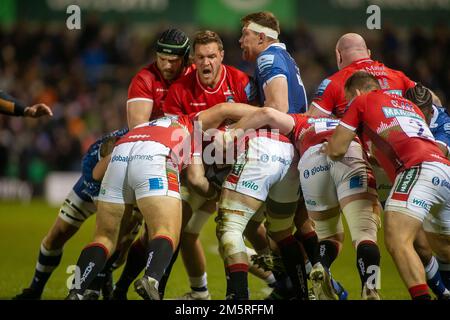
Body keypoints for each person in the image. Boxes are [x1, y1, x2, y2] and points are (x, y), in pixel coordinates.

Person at [64, 101, 258, 300]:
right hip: (155, 157)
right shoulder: (190, 123)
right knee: (167, 230)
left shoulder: (143, 127)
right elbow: (223, 110)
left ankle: (76, 290)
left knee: (103, 238)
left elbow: (96, 173)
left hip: (121, 155)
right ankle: (151, 279)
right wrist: (265, 114)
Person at [228, 106, 381, 300]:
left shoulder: (301, 120)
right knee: (365, 234)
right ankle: (371, 286)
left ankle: (320, 266)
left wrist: (231, 134)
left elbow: (266, 113)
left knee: (328, 236)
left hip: (312, 161)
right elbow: (375, 150)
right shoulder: (348, 122)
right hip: (349, 154)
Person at [324, 71, 450, 300]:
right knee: (442, 248)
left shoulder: (362, 100)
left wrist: (328, 147)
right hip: (443, 169)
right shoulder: (406, 104)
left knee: (397, 239)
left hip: (416, 168)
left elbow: (337, 149)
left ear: (357, 92)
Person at [161, 30, 259, 300]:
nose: (207, 63)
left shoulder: (240, 82)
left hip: (240, 168)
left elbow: (263, 117)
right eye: (201, 57)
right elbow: (175, 137)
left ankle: (280, 277)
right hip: (202, 172)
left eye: (212, 56)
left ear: (221, 56)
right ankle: (198, 292)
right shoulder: (180, 90)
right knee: (182, 231)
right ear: (193, 58)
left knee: (250, 230)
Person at [13, 128, 130, 300]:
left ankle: (103, 281)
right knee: (57, 235)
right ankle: (35, 289)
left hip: (127, 189)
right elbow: (96, 185)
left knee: (121, 246)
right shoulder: (93, 159)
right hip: (91, 186)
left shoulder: (139, 148)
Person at [307, 33, 416, 118]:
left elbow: (310, 121)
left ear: (338, 55)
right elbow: (429, 98)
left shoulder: (332, 83)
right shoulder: (398, 76)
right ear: (369, 53)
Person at [239, 11, 308, 113]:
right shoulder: (284, 56)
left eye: (245, 34)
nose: (240, 40)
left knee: (225, 110)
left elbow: (278, 108)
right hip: (296, 124)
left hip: (286, 128)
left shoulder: (267, 57)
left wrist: (236, 127)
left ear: (261, 38)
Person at [126, 28, 192, 129]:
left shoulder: (197, 76)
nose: (166, 66)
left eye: (172, 61)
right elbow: (137, 130)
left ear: (185, 58)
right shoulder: (144, 79)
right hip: (154, 139)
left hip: (193, 136)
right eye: (162, 59)